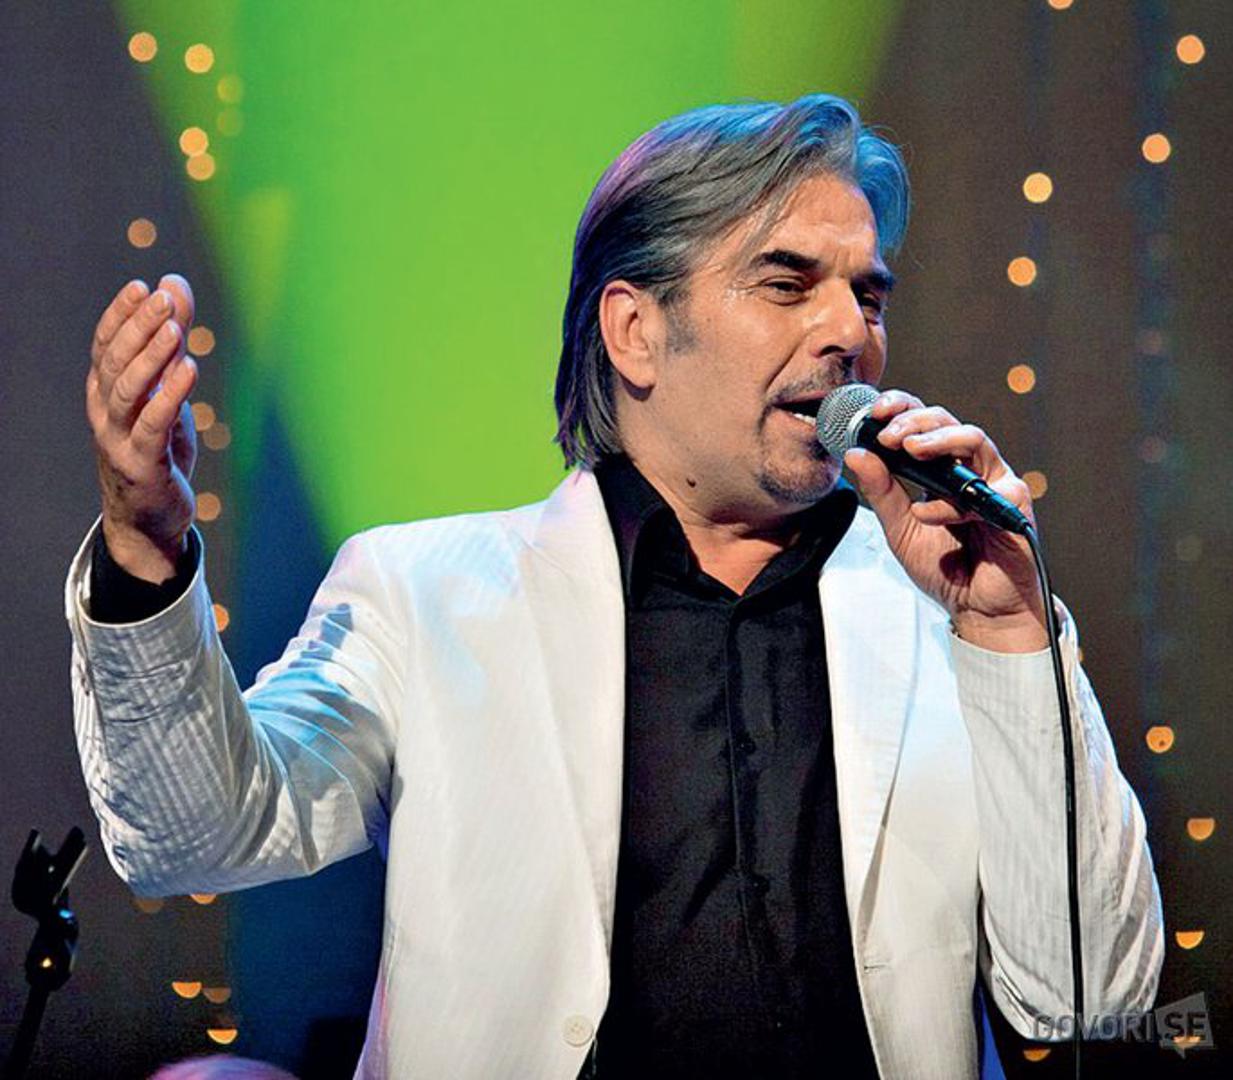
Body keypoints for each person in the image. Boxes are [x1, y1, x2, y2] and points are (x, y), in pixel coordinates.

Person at [68, 94, 1162, 1078]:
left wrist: (1011, 633)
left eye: (867, 296)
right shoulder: (428, 594)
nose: (849, 334)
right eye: (788, 283)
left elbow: (1093, 997)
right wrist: (145, 546)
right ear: (635, 332)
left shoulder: (950, 608)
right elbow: (194, 834)